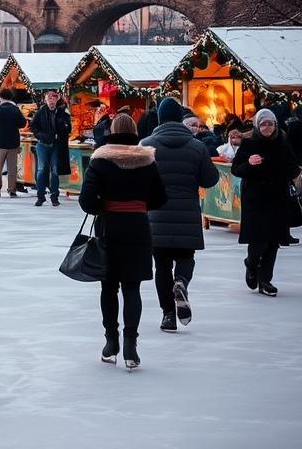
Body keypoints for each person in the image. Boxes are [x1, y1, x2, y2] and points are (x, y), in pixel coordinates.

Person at [79, 114, 167, 370]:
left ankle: (111, 342)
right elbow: (160, 198)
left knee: (109, 287)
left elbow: (87, 202)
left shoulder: (101, 159)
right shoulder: (147, 159)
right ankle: (131, 345)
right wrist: (138, 205)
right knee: (132, 288)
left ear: (112, 130)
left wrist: (104, 205)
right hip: (138, 228)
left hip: (110, 228)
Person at [140, 97, 219, 332]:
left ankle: (168, 316)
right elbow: (211, 179)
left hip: (157, 216)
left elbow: (139, 179)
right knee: (186, 257)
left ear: (160, 118)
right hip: (187, 214)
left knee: (162, 265)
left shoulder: (146, 144)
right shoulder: (197, 147)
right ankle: (182, 282)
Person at [231, 109, 301, 297]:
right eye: (263, 124)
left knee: (272, 242)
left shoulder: (283, 145)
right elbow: (236, 169)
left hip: (278, 199)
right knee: (257, 241)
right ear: (257, 126)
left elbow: (294, 170)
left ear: (275, 126)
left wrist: (286, 166)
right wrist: (249, 164)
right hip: (255, 200)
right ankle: (251, 263)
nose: (267, 127)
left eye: (270, 124)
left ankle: (265, 280)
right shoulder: (249, 144)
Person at [29, 90, 72, 207]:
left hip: (56, 144)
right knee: (41, 170)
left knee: (54, 171)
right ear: (46, 100)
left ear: (56, 100)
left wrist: (62, 127)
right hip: (42, 144)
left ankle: (54, 196)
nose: (51, 102)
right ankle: (40, 196)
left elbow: (68, 129)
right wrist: (40, 135)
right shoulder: (41, 111)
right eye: (49, 99)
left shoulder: (62, 112)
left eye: (53, 99)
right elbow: (32, 126)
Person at [0, 89, 27, 198]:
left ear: (0, 97)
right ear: (11, 97)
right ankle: (12, 189)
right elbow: (23, 123)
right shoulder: (15, 110)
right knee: (12, 168)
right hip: (13, 142)